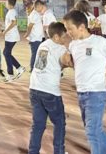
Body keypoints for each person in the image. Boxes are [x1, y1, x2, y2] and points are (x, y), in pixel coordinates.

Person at [63, 10, 106, 154]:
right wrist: (66, 62)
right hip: (81, 92)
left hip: (97, 92)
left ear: (81, 27)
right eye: (66, 29)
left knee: (92, 132)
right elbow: (76, 63)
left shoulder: (99, 42)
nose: (68, 32)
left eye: (70, 29)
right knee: (94, 130)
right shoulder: (73, 45)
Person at [28, 22, 72, 154]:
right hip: (50, 91)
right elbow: (67, 61)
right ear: (56, 37)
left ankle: (33, 151)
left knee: (38, 124)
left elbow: (47, 64)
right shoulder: (61, 48)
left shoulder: (43, 45)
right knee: (59, 123)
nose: (66, 38)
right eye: (64, 36)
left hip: (35, 88)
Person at [2, 0, 25, 80]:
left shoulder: (11, 12)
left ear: (9, 3)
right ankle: (19, 68)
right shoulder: (11, 11)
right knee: (6, 53)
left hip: (11, 37)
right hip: (10, 36)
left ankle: (10, 74)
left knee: (6, 53)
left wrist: (5, 31)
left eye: (6, 2)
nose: (5, 3)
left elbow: (14, 23)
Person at [25, 0, 45, 71]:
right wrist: (27, 34)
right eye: (42, 7)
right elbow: (30, 26)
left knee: (40, 52)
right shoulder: (34, 14)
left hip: (38, 37)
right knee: (35, 53)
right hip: (35, 38)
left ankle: (39, 68)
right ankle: (33, 69)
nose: (42, 8)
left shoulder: (36, 14)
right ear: (38, 6)